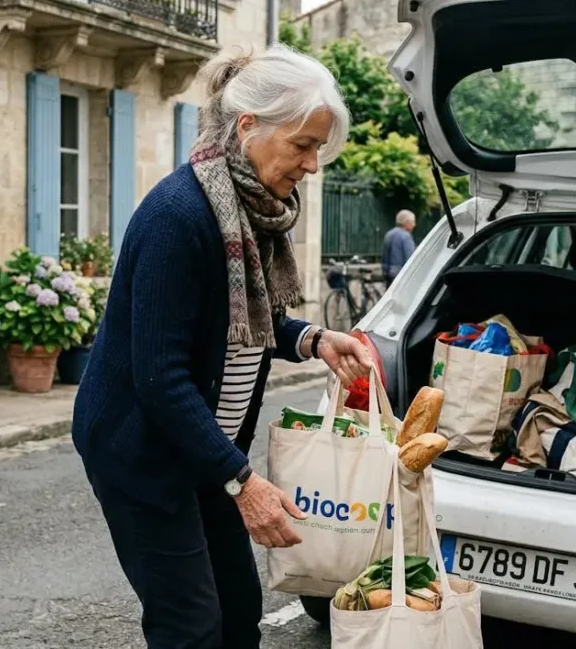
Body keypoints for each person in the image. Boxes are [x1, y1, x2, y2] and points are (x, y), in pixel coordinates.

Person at [71, 44, 375, 649]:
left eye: (318, 147)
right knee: (191, 626)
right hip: (143, 452)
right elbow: (161, 376)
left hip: (204, 452)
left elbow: (240, 322)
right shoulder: (179, 215)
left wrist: (313, 339)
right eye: (302, 145)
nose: (313, 165)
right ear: (248, 128)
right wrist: (242, 479)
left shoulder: (251, 210)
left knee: (238, 612)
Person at [382, 209, 416, 283]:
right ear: (406, 222)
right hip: (400, 276)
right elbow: (410, 258)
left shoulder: (388, 234)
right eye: (412, 222)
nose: (414, 225)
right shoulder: (406, 236)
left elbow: (384, 257)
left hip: (387, 274)